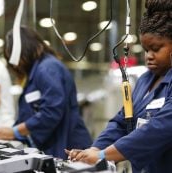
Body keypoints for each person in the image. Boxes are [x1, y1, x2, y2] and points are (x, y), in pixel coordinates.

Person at [66, 0, 172, 172]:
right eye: (146, 50)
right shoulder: (145, 80)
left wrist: (103, 156)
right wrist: (95, 149)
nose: (149, 56)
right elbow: (122, 120)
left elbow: (160, 128)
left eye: (156, 48)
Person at [0, 26, 92, 159]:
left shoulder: (48, 68)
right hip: (55, 145)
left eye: (16, 59)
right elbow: (30, 114)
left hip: (68, 146)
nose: (16, 65)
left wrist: (14, 132)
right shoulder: (37, 71)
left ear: (26, 50)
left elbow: (51, 111)